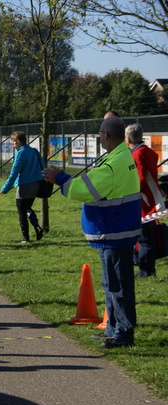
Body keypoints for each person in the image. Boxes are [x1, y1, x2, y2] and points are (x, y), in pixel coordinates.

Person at [42, 115, 141, 348]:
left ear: (105, 135)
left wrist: (60, 178)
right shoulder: (120, 156)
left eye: (100, 133)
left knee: (117, 285)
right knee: (111, 284)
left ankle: (123, 334)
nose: (99, 137)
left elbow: (84, 189)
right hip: (118, 230)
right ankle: (113, 328)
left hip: (114, 231)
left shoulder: (113, 163)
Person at [126, 123, 165, 276]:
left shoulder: (137, 154)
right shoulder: (146, 151)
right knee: (147, 235)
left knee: (144, 237)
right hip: (149, 197)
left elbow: (141, 177)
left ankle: (146, 270)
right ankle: (147, 268)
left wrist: (131, 190)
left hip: (143, 200)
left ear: (128, 138)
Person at [0, 131, 45, 243]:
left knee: (21, 211)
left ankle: (26, 238)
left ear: (19, 141)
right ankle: (37, 227)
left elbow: (14, 173)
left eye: (13, 142)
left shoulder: (21, 153)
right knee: (28, 207)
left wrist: (5, 188)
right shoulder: (33, 151)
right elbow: (43, 165)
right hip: (35, 185)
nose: (12, 144)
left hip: (24, 186)